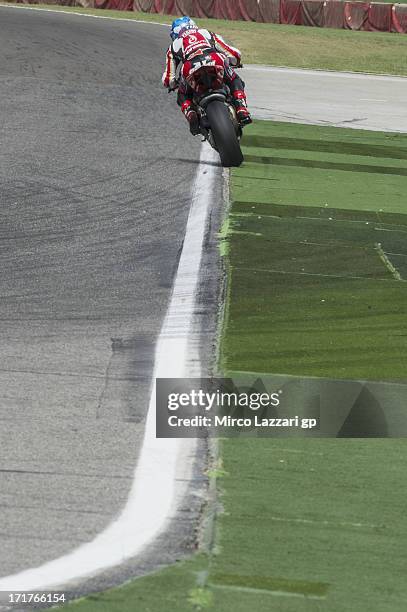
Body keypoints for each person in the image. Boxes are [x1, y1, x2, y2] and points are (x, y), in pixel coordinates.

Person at [162, 16, 252, 135]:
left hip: (190, 68)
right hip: (213, 59)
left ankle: (191, 113)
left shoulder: (173, 46)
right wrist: (234, 61)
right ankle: (241, 108)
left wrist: (174, 84)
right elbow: (233, 53)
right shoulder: (206, 33)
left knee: (182, 94)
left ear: (174, 34)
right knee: (234, 79)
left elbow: (169, 79)